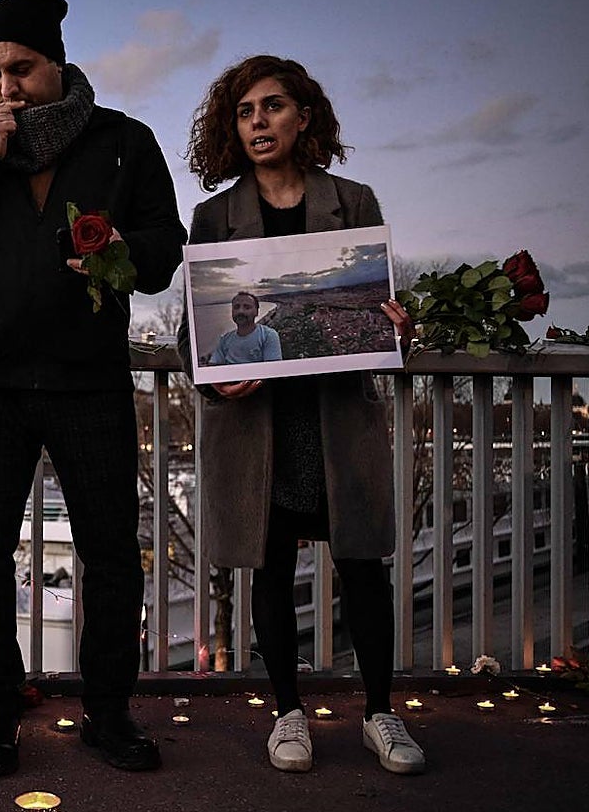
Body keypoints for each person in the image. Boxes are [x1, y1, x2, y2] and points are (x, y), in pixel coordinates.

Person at [0, 0, 186, 776]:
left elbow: (166, 249)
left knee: (112, 553)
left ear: (56, 60)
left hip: (88, 378)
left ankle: (109, 711)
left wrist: (123, 246)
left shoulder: (124, 141)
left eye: (20, 68)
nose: (6, 89)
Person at [175, 55, 423, 775]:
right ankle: (288, 714)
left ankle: (381, 712)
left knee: (363, 565)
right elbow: (196, 333)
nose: (259, 122)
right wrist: (219, 382)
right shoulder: (212, 217)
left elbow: (379, 312)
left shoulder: (355, 201)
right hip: (261, 427)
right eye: (246, 111)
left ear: (304, 116)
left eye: (274, 106)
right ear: (234, 126)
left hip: (335, 416)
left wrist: (396, 329)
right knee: (271, 568)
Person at [209, 291, 282, 364]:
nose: (240, 311)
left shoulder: (268, 336)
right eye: (236, 307)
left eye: (247, 307)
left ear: (256, 312)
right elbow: (214, 365)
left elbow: (272, 370)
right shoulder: (225, 340)